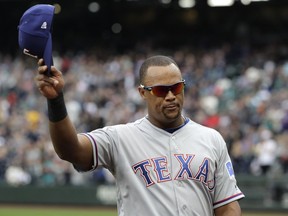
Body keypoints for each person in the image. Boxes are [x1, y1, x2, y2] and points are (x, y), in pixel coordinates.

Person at [35, 55, 244, 215]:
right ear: (142, 93)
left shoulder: (211, 139)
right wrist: (56, 101)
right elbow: (70, 150)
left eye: (177, 87)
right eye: (161, 90)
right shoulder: (120, 138)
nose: (171, 96)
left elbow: (227, 205)